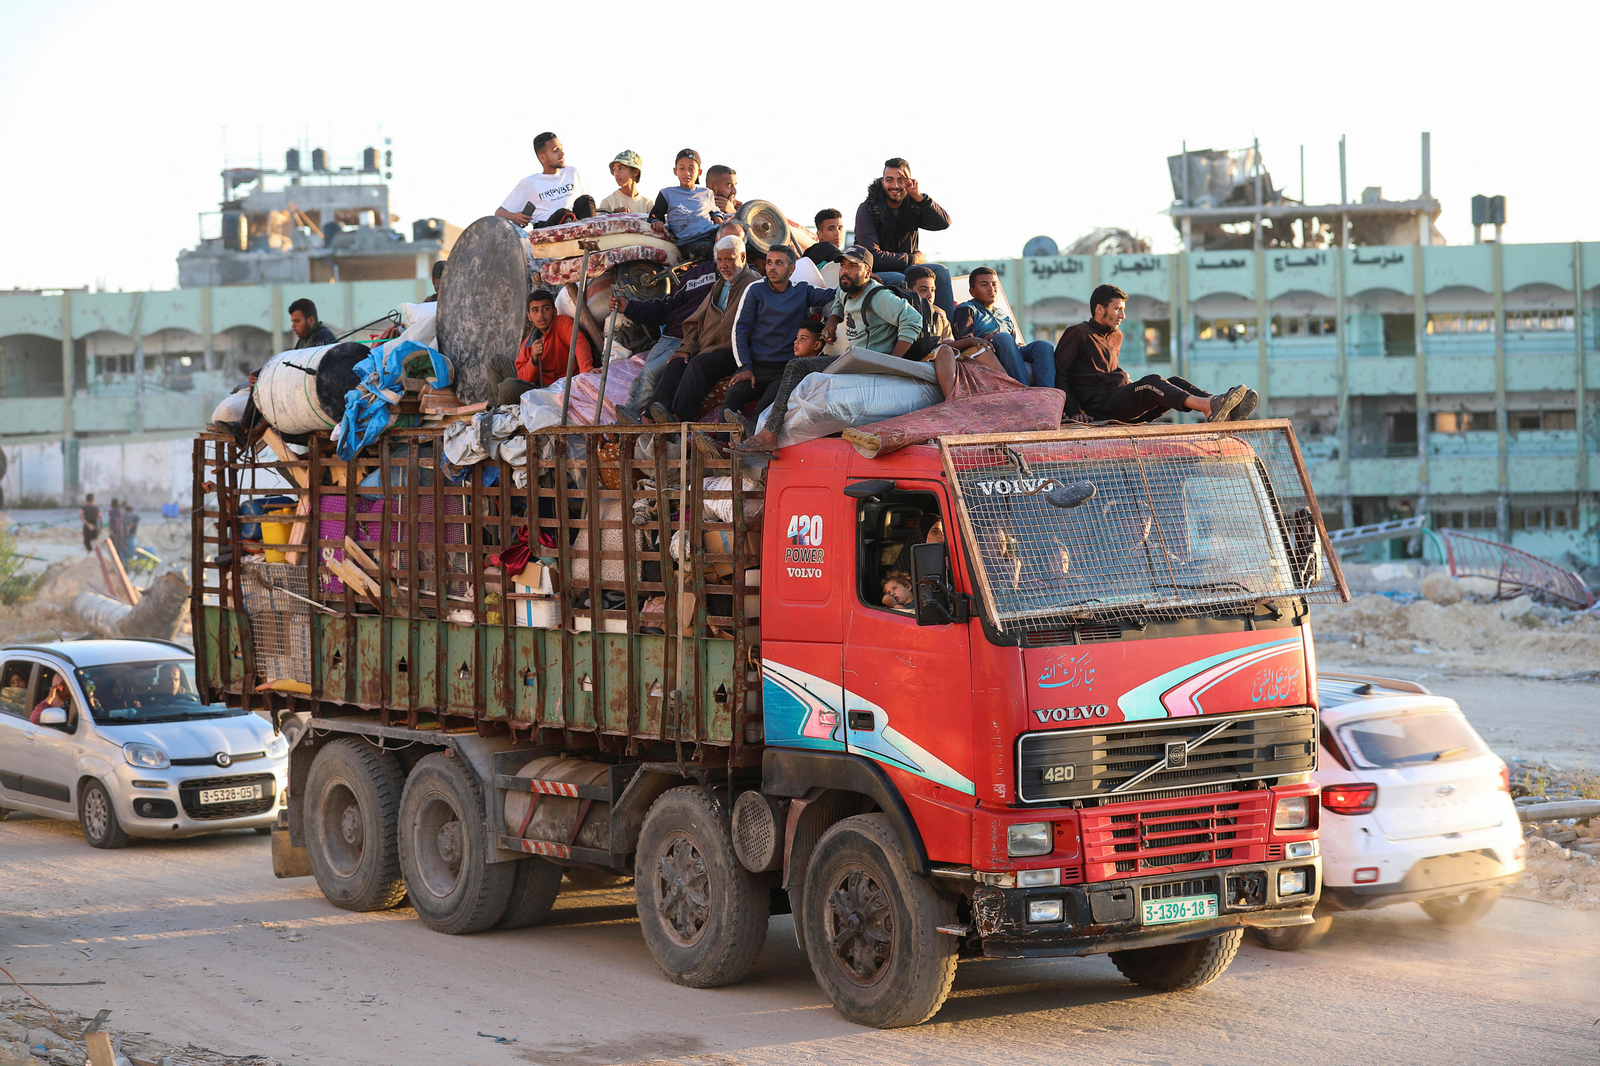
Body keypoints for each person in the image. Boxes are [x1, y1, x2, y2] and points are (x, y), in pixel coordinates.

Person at [1056, 284, 1256, 423]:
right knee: (1151, 382)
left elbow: (1107, 369)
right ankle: (1207, 406)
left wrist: (1124, 378)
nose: (1122, 316)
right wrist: (1074, 411)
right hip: (1099, 405)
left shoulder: (1116, 336)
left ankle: (1223, 407)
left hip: (1119, 400)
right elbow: (1059, 374)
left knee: (1175, 381)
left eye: (1123, 310)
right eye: (1117, 309)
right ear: (1099, 309)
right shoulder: (1078, 333)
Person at [610, 223, 740, 420]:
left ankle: (635, 423)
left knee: (651, 373)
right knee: (642, 377)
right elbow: (667, 307)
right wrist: (628, 306)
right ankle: (628, 422)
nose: (731, 246)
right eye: (726, 241)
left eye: (737, 242)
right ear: (716, 243)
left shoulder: (740, 278)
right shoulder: (695, 273)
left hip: (691, 339)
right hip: (669, 336)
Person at [643, 234, 761, 423]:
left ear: (743, 258)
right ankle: (649, 416)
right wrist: (686, 347)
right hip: (709, 348)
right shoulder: (719, 285)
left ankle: (678, 417)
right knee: (676, 363)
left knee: (700, 364)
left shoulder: (754, 285)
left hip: (735, 351)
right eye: (720, 260)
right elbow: (696, 320)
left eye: (729, 259)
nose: (723, 265)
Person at [854, 158, 955, 322]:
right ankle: (915, 332)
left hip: (906, 268)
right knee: (901, 281)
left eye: (900, 180)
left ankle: (946, 332)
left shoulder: (913, 205)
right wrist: (911, 259)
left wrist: (919, 197)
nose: (895, 186)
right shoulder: (867, 209)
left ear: (909, 182)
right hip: (876, 272)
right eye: (889, 180)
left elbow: (943, 222)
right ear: (882, 182)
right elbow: (872, 256)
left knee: (940, 271)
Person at [729, 245, 834, 395]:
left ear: (791, 269)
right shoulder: (755, 290)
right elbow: (740, 329)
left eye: (778, 263)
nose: (772, 267)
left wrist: (863, 283)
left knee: (765, 406)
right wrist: (745, 366)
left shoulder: (802, 290)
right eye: (769, 262)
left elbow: (834, 295)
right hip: (756, 364)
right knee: (732, 399)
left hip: (786, 367)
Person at [727, 322, 833, 454]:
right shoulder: (797, 368)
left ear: (817, 345)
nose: (796, 342)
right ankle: (754, 431)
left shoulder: (822, 366)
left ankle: (758, 433)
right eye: (797, 337)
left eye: (803, 339)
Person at [953, 266, 1055, 386]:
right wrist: (985, 336)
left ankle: (1047, 393)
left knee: (1043, 346)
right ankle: (1023, 388)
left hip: (1011, 350)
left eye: (994, 284)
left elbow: (1014, 342)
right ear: (972, 291)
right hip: (990, 352)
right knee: (1003, 337)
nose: (991, 289)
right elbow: (964, 340)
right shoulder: (967, 309)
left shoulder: (1002, 314)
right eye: (984, 285)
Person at [493, 291, 593, 405]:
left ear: (554, 311)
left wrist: (587, 369)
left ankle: (501, 407)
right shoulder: (528, 342)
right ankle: (493, 410)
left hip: (555, 391)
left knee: (508, 387)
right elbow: (523, 379)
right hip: (536, 387)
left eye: (545, 309)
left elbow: (579, 343)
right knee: (496, 362)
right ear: (529, 316)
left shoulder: (562, 323)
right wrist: (534, 359)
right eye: (535, 310)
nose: (541, 315)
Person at [821, 245, 923, 356]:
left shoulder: (878, 296)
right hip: (851, 357)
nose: (845, 271)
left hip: (869, 362)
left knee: (801, 366)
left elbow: (913, 318)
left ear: (868, 273)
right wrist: (832, 323)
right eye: (842, 265)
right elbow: (838, 300)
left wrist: (893, 361)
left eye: (853, 266)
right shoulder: (845, 289)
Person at [495, 132, 590, 228]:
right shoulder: (530, 183)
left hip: (575, 221)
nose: (562, 153)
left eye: (561, 149)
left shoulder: (572, 172)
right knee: (563, 213)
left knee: (586, 200)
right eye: (556, 150)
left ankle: (590, 232)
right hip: (548, 227)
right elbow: (499, 212)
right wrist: (514, 216)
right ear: (542, 158)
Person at [650, 149, 727, 260]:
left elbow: (714, 212)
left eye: (691, 169)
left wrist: (721, 224)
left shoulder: (707, 193)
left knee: (738, 240)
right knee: (711, 250)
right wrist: (656, 221)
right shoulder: (667, 194)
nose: (687, 173)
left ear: (699, 172)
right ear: (675, 171)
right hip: (689, 242)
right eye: (682, 168)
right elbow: (655, 215)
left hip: (711, 234)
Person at [904, 265, 952, 340]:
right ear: (908, 291)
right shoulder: (901, 312)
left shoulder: (940, 313)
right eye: (923, 290)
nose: (930, 295)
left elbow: (948, 343)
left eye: (932, 290)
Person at [599, 150, 651, 214]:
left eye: (621, 168)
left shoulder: (648, 204)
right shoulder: (608, 203)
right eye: (614, 169)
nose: (616, 173)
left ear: (635, 172)